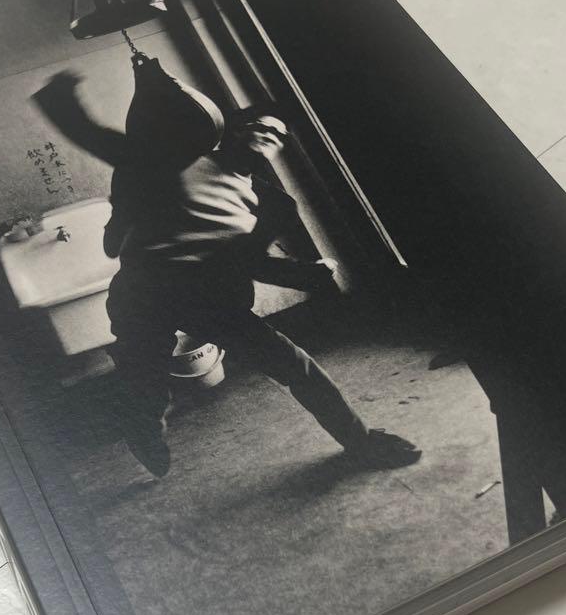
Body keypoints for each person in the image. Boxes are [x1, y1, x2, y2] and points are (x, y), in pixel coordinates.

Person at [32, 71, 422, 477]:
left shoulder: (271, 205)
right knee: (145, 384)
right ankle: (143, 431)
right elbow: (104, 142)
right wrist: (62, 99)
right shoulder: (178, 161)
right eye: (258, 126)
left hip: (205, 295)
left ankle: (361, 443)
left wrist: (309, 274)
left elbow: (249, 263)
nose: (268, 134)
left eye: (278, 134)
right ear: (229, 131)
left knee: (296, 366)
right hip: (143, 292)